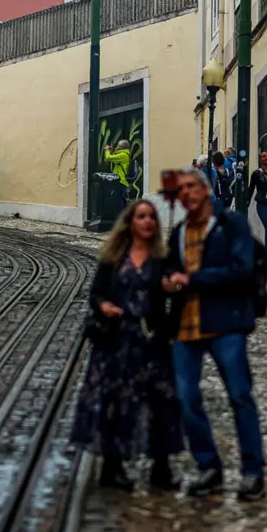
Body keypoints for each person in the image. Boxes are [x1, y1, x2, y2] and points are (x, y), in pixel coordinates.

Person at [165, 167, 265, 501]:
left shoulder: (231, 223)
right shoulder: (178, 232)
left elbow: (241, 269)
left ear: (206, 191)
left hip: (226, 323)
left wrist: (192, 280)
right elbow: (170, 271)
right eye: (181, 190)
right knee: (185, 397)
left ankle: (253, 471)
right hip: (186, 325)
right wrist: (168, 282)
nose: (186, 193)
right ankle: (209, 466)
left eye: (192, 187)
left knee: (239, 395)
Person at [71, 199, 182, 492]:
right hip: (116, 341)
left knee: (161, 401)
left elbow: (174, 297)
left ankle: (161, 468)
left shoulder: (162, 258)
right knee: (115, 402)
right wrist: (104, 305)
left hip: (150, 340)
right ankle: (113, 465)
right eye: (141, 217)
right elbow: (95, 294)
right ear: (130, 222)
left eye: (151, 218)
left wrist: (172, 292)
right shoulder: (113, 257)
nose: (147, 222)